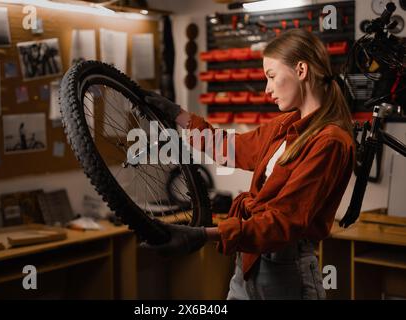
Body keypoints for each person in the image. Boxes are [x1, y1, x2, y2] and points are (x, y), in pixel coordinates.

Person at [143, 29, 355, 300]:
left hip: (287, 269)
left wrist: (203, 235)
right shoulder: (284, 126)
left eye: (271, 76)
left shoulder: (330, 142)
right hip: (250, 260)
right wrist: (179, 115)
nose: (267, 89)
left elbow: (283, 222)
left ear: (301, 69)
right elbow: (230, 148)